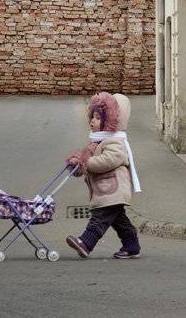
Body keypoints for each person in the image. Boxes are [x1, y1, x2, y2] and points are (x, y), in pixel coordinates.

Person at [65, 91, 141, 259]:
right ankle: (131, 244)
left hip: (113, 188)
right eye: (92, 117)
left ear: (111, 121)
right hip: (107, 189)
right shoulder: (98, 140)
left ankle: (86, 242)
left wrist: (86, 163)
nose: (93, 121)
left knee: (100, 218)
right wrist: (77, 162)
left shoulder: (115, 140)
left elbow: (110, 159)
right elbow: (88, 157)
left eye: (98, 118)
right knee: (119, 220)